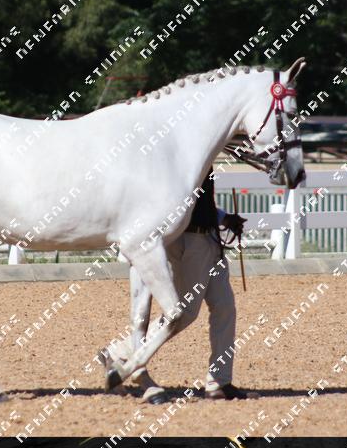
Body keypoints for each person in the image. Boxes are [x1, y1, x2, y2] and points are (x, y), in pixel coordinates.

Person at [107, 167, 257, 400]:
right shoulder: (177, 161)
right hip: (189, 241)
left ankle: (219, 381)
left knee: (225, 307)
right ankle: (119, 353)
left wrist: (223, 218)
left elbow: (201, 204)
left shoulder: (203, 158)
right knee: (185, 313)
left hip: (210, 239)